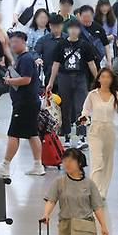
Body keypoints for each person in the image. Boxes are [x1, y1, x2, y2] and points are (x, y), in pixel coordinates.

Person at [0, 32, 45, 177]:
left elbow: (26, 79)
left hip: (25, 103)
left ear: (24, 42)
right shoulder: (22, 58)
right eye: (11, 42)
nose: (13, 45)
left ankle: (5, 165)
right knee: (32, 134)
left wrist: (9, 81)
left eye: (16, 42)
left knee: (13, 133)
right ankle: (38, 165)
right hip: (28, 102)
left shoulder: (25, 59)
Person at [79, 68, 118, 198]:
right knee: (97, 161)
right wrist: (83, 118)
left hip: (109, 131)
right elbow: (86, 110)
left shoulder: (116, 96)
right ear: (99, 79)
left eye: (108, 77)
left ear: (112, 80)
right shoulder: (92, 95)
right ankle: (94, 192)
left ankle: (102, 192)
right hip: (95, 130)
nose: (105, 79)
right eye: (103, 77)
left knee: (107, 162)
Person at [40, 148, 109, 235]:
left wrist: (103, 226)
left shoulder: (89, 184)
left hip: (86, 228)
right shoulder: (59, 182)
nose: (67, 164)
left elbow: (97, 207)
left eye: (71, 161)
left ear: (80, 163)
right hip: (66, 229)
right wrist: (46, 214)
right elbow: (51, 200)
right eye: (65, 161)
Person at [47, 20, 98, 148]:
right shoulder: (61, 44)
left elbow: (91, 63)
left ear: (79, 30)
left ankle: (82, 137)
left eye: (76, 28)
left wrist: (98, 79)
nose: (73, 31)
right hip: (64, 78)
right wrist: (51, 82)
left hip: (80, 78)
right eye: (71, 28)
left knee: (81, 107)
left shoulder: (85, 45)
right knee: (65, 107)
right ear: (67, 30)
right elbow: (56, 64)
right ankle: (67, 136)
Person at [35, 13, 65, 88]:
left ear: (62, 25)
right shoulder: (43, 40)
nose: (56, 29)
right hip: (49, 75)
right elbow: (35, 52)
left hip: (66, 76)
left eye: (58, 26)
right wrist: (37, 58)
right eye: (53, 27)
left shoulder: (68, 39)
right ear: (50, 26)